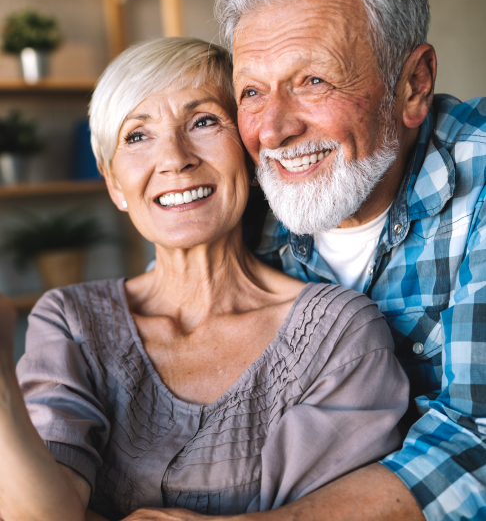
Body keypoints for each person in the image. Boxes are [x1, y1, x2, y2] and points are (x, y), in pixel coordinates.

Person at [0, 37, 409, 521]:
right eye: (137, 136)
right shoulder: (71, 320)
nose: (175, 158)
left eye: (204, 121)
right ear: (114, 184)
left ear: (251, 154)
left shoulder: (338, 332)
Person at [212, 0, 486, 520]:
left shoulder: (482, 176)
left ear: (413, 84)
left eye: (313, 80)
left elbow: (480, 442)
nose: (274, 129)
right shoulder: (233, 196)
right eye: (252, 92)